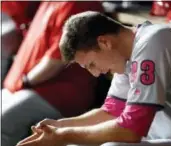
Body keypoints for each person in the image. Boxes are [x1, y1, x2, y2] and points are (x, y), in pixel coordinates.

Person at [16, 11, 171, 146]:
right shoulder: (126, 55)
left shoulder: (153, 43)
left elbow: (131, 130)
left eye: (91, 64)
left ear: (104, 42)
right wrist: (60, 126)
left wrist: (64, 136)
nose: (96, 73)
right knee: (77, 144)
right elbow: (112, 112)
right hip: (164, 137)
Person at [2, 3, 104, 146]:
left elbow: (57, 60)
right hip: (30, 85)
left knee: (3, 121)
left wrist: (25, 81)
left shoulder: (77, 4)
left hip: (55, 91)